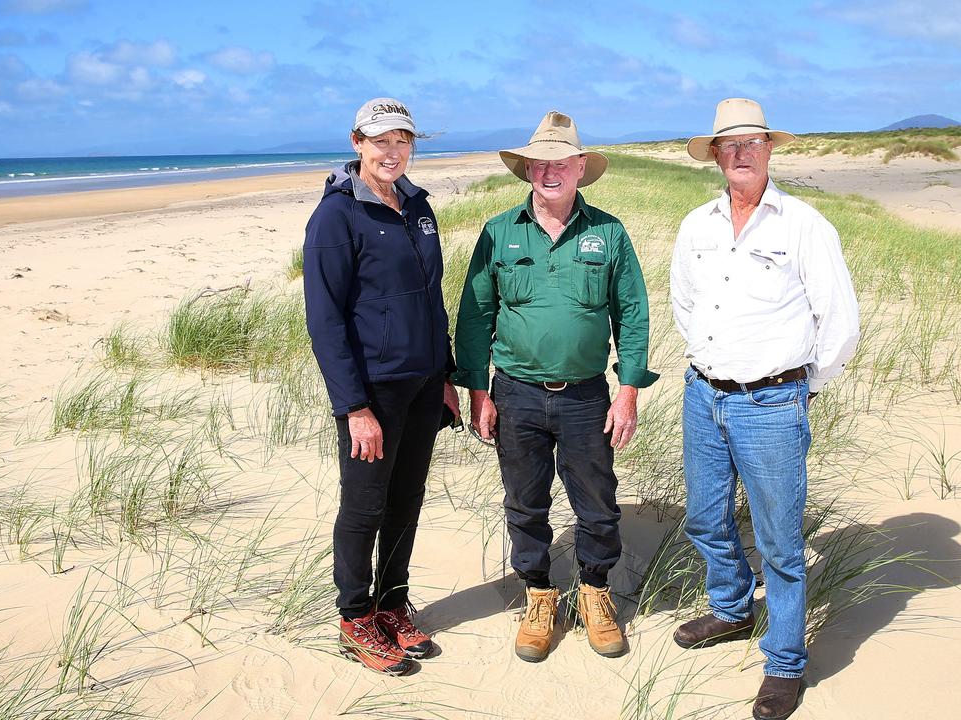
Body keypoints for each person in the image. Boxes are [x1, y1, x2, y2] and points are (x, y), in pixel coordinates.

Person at [669, 98, 860, 719]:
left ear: (770, 149)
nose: (743, 153)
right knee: (704, 517)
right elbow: (685, 303)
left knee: (779, 541)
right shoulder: (697, 224)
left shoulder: (804, 225)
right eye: (732, 144)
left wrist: (798, 386)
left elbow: (840, 323)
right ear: (717, 156)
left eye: (754, 142)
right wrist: (710, 360)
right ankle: (730, 608)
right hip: (704, 394)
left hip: (772, 402)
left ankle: (784, 661)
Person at [453, 111, 658, 663]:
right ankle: (540, 595)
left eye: (561, 161)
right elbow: (475, 314)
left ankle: (594, 590)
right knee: (524, 502)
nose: (551, 171)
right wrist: (478, 390)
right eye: (540, 162)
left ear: (579, 167)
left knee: (597, 502)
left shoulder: (608, 232)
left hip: (587, 393)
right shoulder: (499, 231)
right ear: (528, 170)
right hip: (514, 393)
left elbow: (632, 313)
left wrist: (628, 389)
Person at [303, 97, 459, 676]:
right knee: (365, 505)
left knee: (406, 500)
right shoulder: (335, 217)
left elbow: (431, 299)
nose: (392, 152)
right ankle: (355, 616)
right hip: (372, 390)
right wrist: (354, 408)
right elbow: (325, 320)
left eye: (403, 141)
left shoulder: (419, 205)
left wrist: (443, 374)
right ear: (357, 144)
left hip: (421, 386)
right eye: (381, 141)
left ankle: (393, 603)